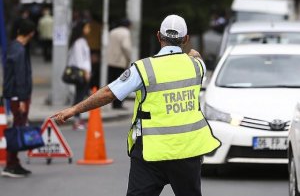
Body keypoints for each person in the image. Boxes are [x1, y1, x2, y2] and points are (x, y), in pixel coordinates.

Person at [52, 14, 221, 196]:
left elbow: (109, 93)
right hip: (188, 151)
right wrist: (193, 54)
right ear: (186, 39)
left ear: (158, 36)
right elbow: (196, 56)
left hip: (150, 152)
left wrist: (75, 109)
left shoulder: (143, 69)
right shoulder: (197, 67)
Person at [2, 19, 36, 178]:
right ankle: (11, 164)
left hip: (15, 95)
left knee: (18, 127)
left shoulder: (13, 47)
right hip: (18, 96)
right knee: (17, 129)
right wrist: (22, 99)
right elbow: (20, 76)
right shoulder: (20, 50)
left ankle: (14, 162)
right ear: (31, 33)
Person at [67, 21, 92, 130]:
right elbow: (79, 59)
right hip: (81, 73)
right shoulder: (79, 42)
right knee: (79, 97)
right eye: (87, 27)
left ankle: (78, 118)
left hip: (83, 72)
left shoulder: (81, 41)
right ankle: (76, 120)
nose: (89, 29)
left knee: (80, 95)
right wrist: (86, 72)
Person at [107, 18, 132, 109]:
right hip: (120, 62)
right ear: (128, 25)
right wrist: (129, 58)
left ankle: (113, 103)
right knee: (121, 84)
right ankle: (118, 104)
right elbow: (126, 46)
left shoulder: (112, 32)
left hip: (111, 61)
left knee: (112, 84)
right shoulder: (125, 33)